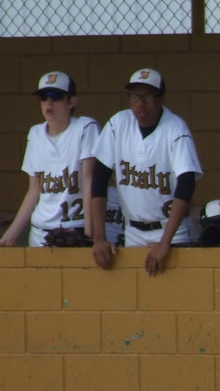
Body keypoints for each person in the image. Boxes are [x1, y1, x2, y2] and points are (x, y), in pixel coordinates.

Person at [89, 68, 203, 276]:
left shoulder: (176, 129)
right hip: (132, 232)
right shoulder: (118, 123)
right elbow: (99, 179)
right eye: (135, 97)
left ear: (160, 99)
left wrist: (164, 242)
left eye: (147, 97)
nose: (140, 104)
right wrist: (99, 238)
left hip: (171, 232)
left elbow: (186, 185)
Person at [0, 71, 99, 248]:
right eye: (43, 97)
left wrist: (91, 236)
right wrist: (10, 236)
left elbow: (89, 182)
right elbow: (34, 190)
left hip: (75, 230)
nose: (48, 102)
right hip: (41, 232)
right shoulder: (35, 133)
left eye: (56, 96)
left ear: (72, 101)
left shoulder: (85, 127)